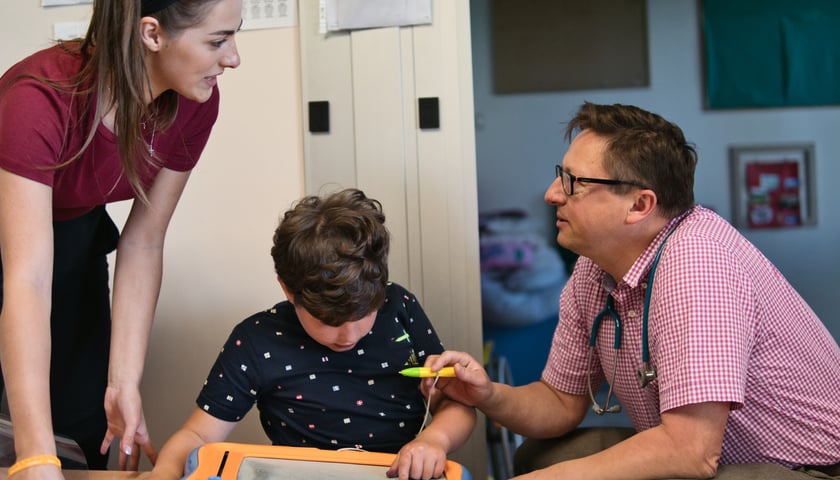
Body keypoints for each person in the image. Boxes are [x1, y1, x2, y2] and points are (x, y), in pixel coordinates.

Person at [425, 102, 840, 480]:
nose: (553, 195)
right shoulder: (594, 268)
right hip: (714, 454)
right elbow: (560, 402)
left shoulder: (698, 262)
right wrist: (489, 395)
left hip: (810, 468)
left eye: (574, 183)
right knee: (543, 456)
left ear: (639, 206)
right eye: (559, 176)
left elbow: (691, 453)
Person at [0, 0, 241, 477]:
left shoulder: (194, 104)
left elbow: (144, 241)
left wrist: (123, 381)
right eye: (217, 40)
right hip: (14, 243)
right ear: (151, 34)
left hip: (72, 240)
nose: (233, 58)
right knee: (31, 446)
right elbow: (26, 277)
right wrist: (34, 454)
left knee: (82, 423)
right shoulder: (39, 98)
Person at [149, 188, 476, 480]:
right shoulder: (257, 339)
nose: (349, 335)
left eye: (364, 314)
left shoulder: (400, 306)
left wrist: (434, 440)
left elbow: (456, 403)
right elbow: (198, 436)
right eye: (329, 321)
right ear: (289, 290)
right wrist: (163, 473)